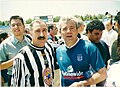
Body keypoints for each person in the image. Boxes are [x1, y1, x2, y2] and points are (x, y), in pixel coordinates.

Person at [56, 17, 107, 86]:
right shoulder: (59, 51)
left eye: (72, 28)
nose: (68, 31)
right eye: (65, 29)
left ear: (77, 30)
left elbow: (102, 74)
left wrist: (82, 83)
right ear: (60, 32)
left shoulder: (89, 48)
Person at [11, 19, 59, 87]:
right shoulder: (22, 57)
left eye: (44, 30)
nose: (41, 34)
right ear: (31, 32)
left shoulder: (49, 48)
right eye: (37, 31)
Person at [0, 15, 31, 86]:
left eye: (18, 24)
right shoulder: (5, 45)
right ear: (10, 28)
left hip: (30, 77)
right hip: (14, 79)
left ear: (23, 26)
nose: (16, 27)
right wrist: (16, 59)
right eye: (13, 25)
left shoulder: (30, 41)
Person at [86, 19, 110, 86]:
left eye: (101, 34)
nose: (99, 36)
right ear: (89, 32)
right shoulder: (82, 46)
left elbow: (106, 61)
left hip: (101, 81)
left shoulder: (103, 44)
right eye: (96, 34)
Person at [105, 11, 120, 86]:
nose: (107, 27)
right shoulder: (104, 33)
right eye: (106, 25)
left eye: (108, 25)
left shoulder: (115, 34)